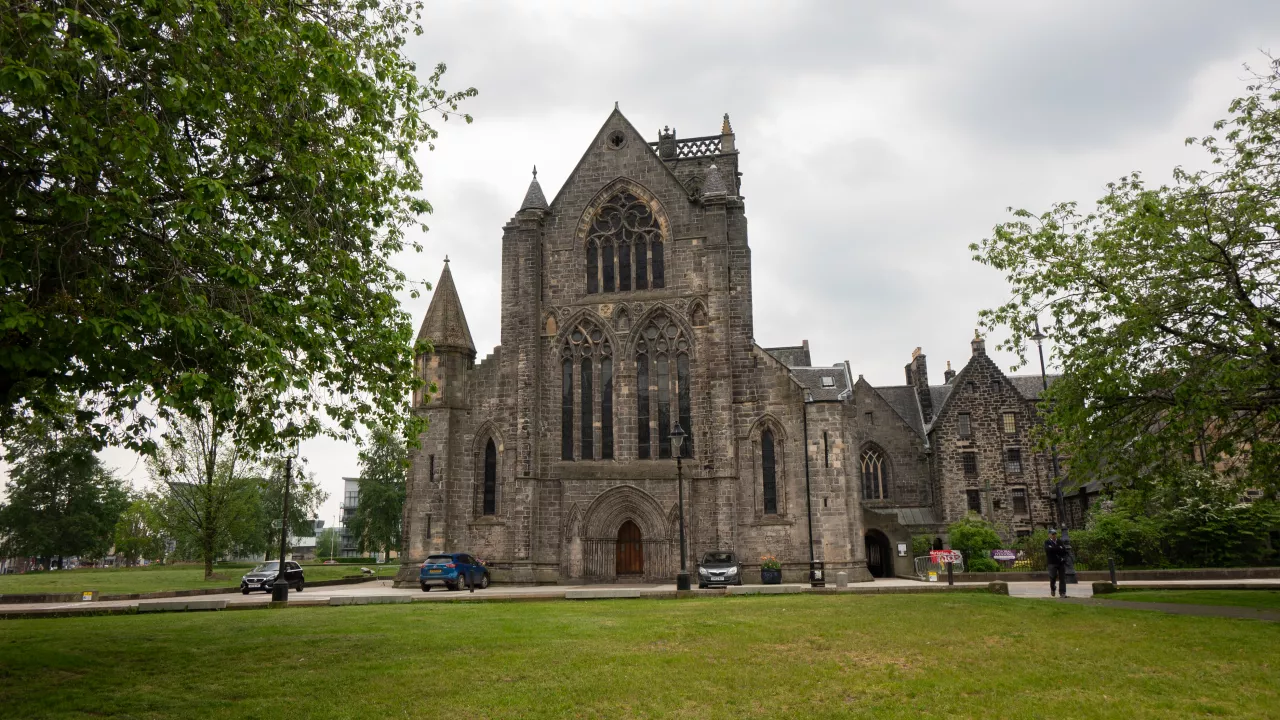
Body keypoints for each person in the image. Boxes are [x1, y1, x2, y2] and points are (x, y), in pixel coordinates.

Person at [1045, 529, 1069, 597]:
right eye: (1052, 534)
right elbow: (1048, 550)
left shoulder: (1059, 541)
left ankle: (1062, 592)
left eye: (1055, 534)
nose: (1054, 535)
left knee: (1062, 578)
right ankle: (1053, 588)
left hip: (1060, 562)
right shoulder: (1047, 542)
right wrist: (1058, 548)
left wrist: (1055, 548)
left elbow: (1064, 550)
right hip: (1052, 563)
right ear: (1049, 535)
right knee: (1053, 577)